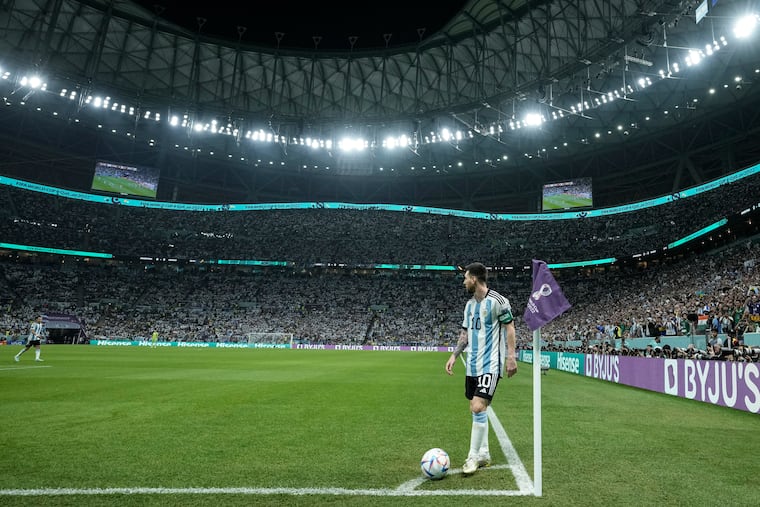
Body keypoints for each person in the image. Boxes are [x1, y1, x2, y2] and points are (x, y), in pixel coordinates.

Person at [445, 262, 517, 475]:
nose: (464, 281)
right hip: (473, 365)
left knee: (478, 406)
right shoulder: (469, 306)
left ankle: (472, 457)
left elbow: (510, 328)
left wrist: (511, 357)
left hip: (490, 364)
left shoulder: (498, 301)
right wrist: (454, 355)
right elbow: (465, 334)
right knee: (476, 409)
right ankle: (484, 453)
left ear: (474, 279)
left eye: (466, 278)